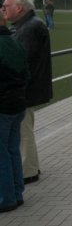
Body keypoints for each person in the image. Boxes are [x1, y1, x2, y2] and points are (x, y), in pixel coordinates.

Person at [1, 0, 52, 184]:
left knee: (24, 131)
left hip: (25, 90)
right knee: (24, 130)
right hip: (27, 88)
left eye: (6, 6)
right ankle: (30, 166)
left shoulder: (30, 27)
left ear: (19, 8)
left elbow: (22, 60)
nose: (3, 9)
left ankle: (28, 171)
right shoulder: (29, 25)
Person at [0, 11, 29, 213]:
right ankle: (17, 193)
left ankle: (6, 198)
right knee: (12, 150)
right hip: (17, 103)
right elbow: (26, 73)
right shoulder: (15, 41)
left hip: (2, 105)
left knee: (2, 153)